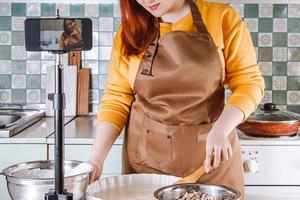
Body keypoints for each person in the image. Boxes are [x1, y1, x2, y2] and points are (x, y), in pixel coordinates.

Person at [89, 0, 265, 199]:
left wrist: (222, 129)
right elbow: (116, 98)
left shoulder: (221, 18)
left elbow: (249, 82)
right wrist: (97, 158)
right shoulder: (130, 31)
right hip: (147, 170)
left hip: (212, 163)